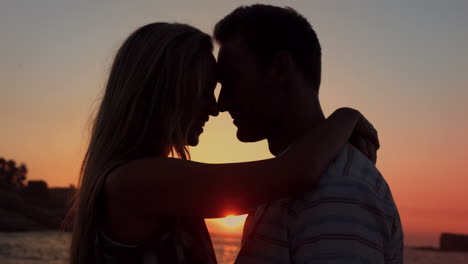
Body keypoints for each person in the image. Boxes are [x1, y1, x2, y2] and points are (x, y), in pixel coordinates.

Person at [68, 22, 378, 264]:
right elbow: (296, 172)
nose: (214, 106)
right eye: (205, 89)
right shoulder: (136, 182)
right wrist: (345, 117)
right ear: (167, 90)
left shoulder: (135, 179)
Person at [214, 4, 403, 264]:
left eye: (231, 80)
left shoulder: (339, 191)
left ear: (281, 69)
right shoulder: (283, 179)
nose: (220, 103)